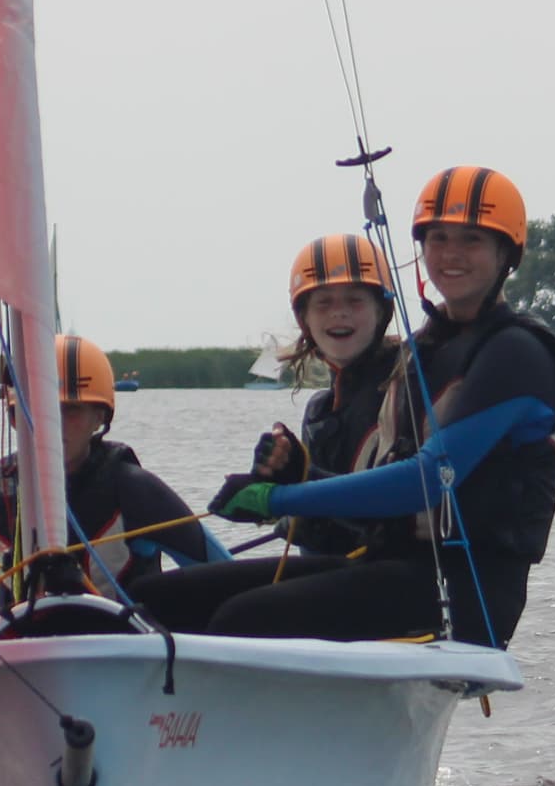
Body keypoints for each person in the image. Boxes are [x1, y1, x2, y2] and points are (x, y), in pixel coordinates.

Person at [148, 168, 555, 650]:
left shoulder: (517, 353)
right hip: (387, 567)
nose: (451, 254)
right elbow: (381, 485)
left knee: (242, 619)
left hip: (463, 593)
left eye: (471, 240)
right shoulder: (427, 349)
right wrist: (299, 475)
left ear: (507, 254)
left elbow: (426, 480)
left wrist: (277, 499)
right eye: (438, 238)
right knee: (162, 601)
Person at [129, 233, 413, 634]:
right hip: (335, 570)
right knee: (154, 598)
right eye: (324, 303)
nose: (339, 314)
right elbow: (321, 523)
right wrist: (279, 481)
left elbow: (399, 513)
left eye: (355, 301)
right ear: (304, 318)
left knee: (237, 617)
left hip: (392, 579)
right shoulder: (320, 408)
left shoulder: (406, 388)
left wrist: (286, 491)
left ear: (382, 311)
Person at [0, 334, 219, 639]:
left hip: (130, 653)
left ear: (100, 417)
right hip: (24, 656)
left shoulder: (134, 489)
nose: (53, 423)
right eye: (39, 409)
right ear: (14, 418)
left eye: (72, 409)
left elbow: (223, 576)